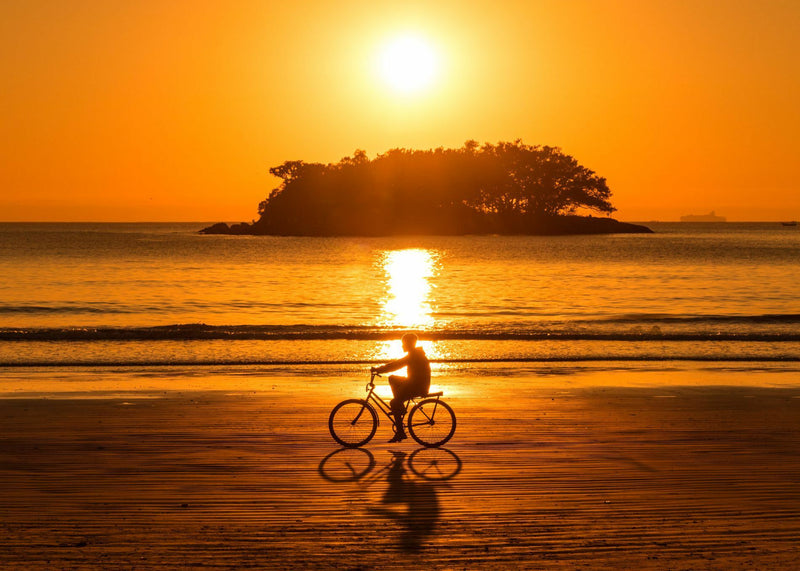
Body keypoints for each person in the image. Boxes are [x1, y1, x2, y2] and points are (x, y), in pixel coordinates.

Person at [371, 333, 431, 443]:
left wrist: (378, 370)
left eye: (403, 344)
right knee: (392, 379)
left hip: (418, 385)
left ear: (409, 344)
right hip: (414, 382)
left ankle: (400, 432)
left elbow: (396, 365)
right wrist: (380, 369)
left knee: (394, 403)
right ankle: (400, 406)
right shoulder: (415, 353)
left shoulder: (414, 355)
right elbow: (396, 364)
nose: (402, 346)